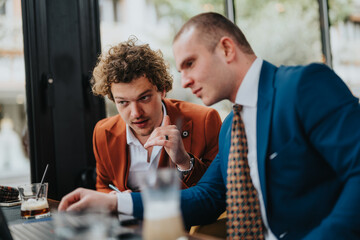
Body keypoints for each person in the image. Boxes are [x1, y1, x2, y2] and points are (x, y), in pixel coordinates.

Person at [59, 13, 360, 239]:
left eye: (190, 63)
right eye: (180, 69)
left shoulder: (302, 85)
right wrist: (115, 203)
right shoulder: (232, 127)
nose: (185, 81)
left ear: (227, 49)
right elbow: (207, 197)